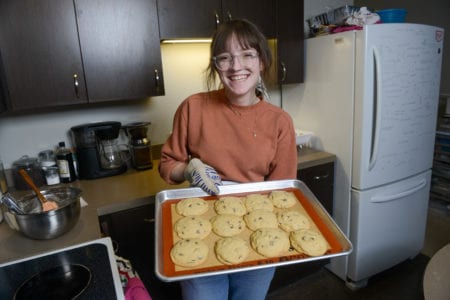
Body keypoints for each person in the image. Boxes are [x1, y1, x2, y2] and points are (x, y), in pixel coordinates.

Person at [159, 19, 297, 300]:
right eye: (225, 58)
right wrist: (188, 168)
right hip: (199, 236)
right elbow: (166, 165)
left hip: (257, 233)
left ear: (262, 62)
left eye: (247, 54)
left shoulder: (279, 122)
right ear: (215, 66)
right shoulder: (193, 108)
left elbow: (284, 193)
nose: (236, 67)